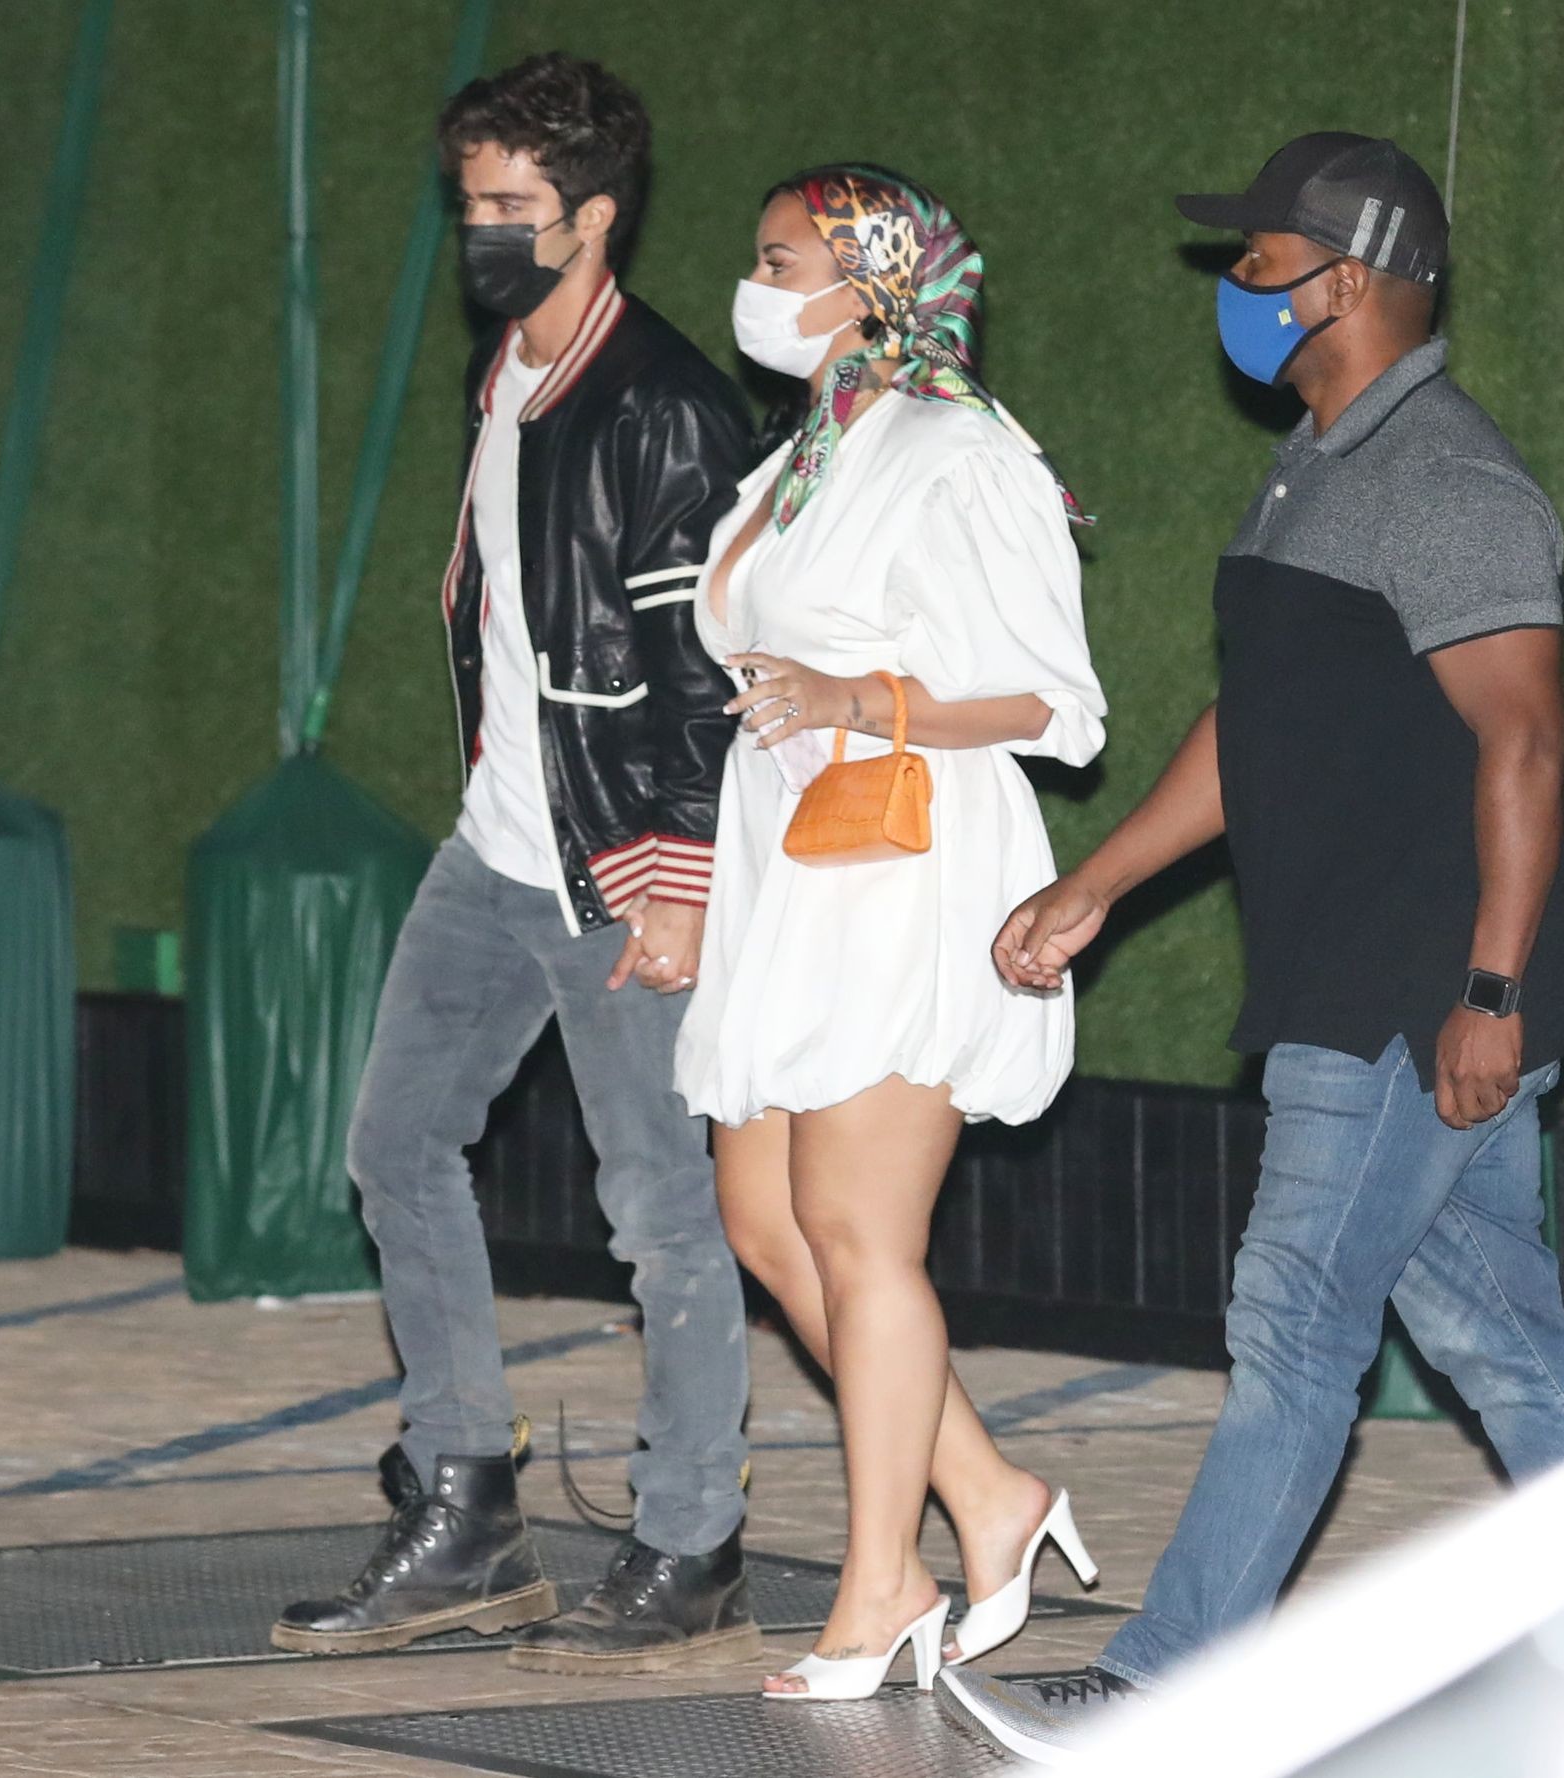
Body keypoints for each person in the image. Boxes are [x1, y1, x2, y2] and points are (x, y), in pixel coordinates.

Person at [941, 133, 1564, 1762]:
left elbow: (1526, 742)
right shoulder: (1319, 461)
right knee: (1500, 1329)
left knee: (1297, 1318)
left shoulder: (1450, 480)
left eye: (1258, 257)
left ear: (1353, 278)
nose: (1234, 282)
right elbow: (1260, 725)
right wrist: (1101, 882)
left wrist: (1490, 989)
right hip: (1359, 964)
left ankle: (1167, 1692)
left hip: (1420, 975)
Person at [272, 52, 760, 1676]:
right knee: (396, 1143)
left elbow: (704, 675)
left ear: (593, 215)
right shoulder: (508, 371)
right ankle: (467, 1504)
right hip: (497, 843)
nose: (479, 228)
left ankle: (690, 1538)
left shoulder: (666, 405)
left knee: (664, 1212)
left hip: (619, 862)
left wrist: (681, 877)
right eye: (467, 199)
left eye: (508, 204)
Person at [673, 164, 1108, 1701]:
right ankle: (989, 1493)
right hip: (788, 872)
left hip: (907, 867)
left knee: (862, 1232)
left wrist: (859, 696)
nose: (757, 284)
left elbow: (1059, 702)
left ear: (871, 282)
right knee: (767, 1222)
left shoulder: (957, 449)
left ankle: (882, 1585)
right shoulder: (805, 455)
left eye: (781, 259)